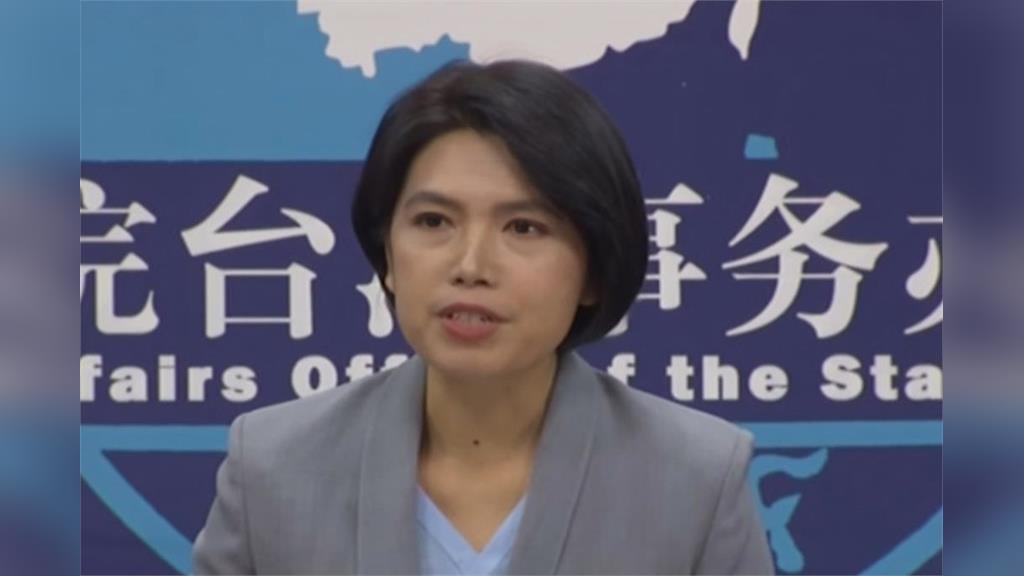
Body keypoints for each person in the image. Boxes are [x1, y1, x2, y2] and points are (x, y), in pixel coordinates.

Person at [192, 59, 774, 575]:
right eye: (433, 222)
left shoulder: (696, 480)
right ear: (387, 254)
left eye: (524, 227)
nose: (470, 266)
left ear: (593, 272)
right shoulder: (273, 467)